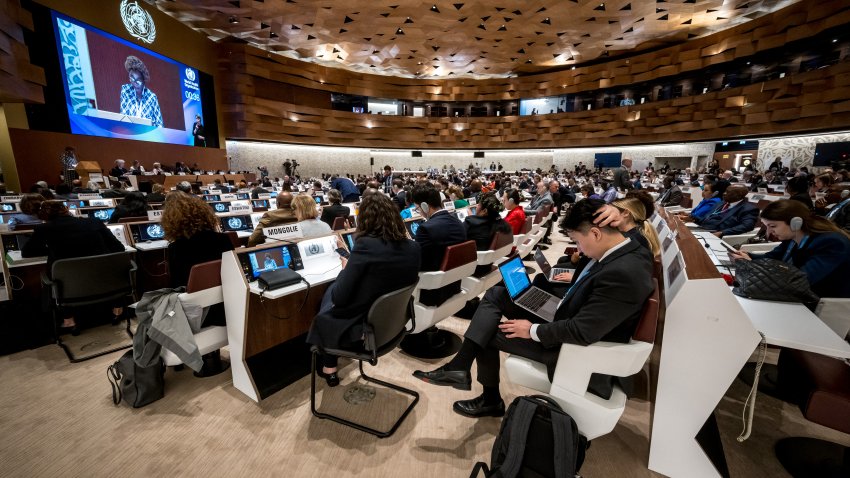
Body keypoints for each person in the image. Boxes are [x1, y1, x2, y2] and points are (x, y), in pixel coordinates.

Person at [412, 199, 654, 417]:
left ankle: (490, 399)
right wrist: (612, 211)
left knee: (490, 332)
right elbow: (635, 234)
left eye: (579, 241)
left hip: (572, 347)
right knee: (497, 293)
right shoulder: (628, 245)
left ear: (596, 233)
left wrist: (532, 330)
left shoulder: (623, 272)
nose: (579, 250)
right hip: (565, 311)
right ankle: (460, 367)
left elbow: (583, 332)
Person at [306, 193, 421, 386]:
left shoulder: (365, 246)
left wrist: (346, 267)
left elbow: (341, 298)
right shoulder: (414, 247)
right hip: (394, 323)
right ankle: (330, 365)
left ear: (364, 219)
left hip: (364, 325)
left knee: (329, 296)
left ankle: (329, 366)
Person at [22, 201, 126, 333]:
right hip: (105, 283)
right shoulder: (94, 222)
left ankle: (69, 320)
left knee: (52, 274)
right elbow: (119, 248)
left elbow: (27, 252)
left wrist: (52, 250)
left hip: (69, 289)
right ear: (66, 209)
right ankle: (118, 309)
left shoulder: (44, 229)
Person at [728, 200, 850, 298]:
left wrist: (750, 264)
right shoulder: (792, 236)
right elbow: (772, 257)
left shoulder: (832, 242)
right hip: (793, 293)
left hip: (819, 303)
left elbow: (803, 280)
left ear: (795, 223)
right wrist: (747, 256)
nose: (769, 232)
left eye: (772, 226)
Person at [161, 192, 234, 289]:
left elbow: (177, 285)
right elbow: (233, 271)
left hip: (193, 298)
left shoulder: (176, 248)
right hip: (225, 291)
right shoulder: (223, 239)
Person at [412, 183, 467, 306]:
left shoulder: (425, 229)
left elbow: (418, 265)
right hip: (453, 286)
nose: (419, 212)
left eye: (417, 208)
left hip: (431, 294)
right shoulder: (459, 223)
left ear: (425, 206)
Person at [694, 184, 759, 237]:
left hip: (718, 234)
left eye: (728, 192)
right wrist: (693, 218)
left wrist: (722, 232)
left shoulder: (748, 209)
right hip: (702, 229)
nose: (724, 193)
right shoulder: (720, 203)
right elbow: (707, 218)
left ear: (739, 195)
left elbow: (747, 226)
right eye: (725, 191)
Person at [119, 56, 163, 127]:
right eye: (132, 79)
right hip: (130, 134)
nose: (134, 83)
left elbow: (160, 125)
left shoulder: (152, 97)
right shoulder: (125, 90)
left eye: (138, 81)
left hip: (148, 135)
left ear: (144, 81)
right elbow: (123, 118)